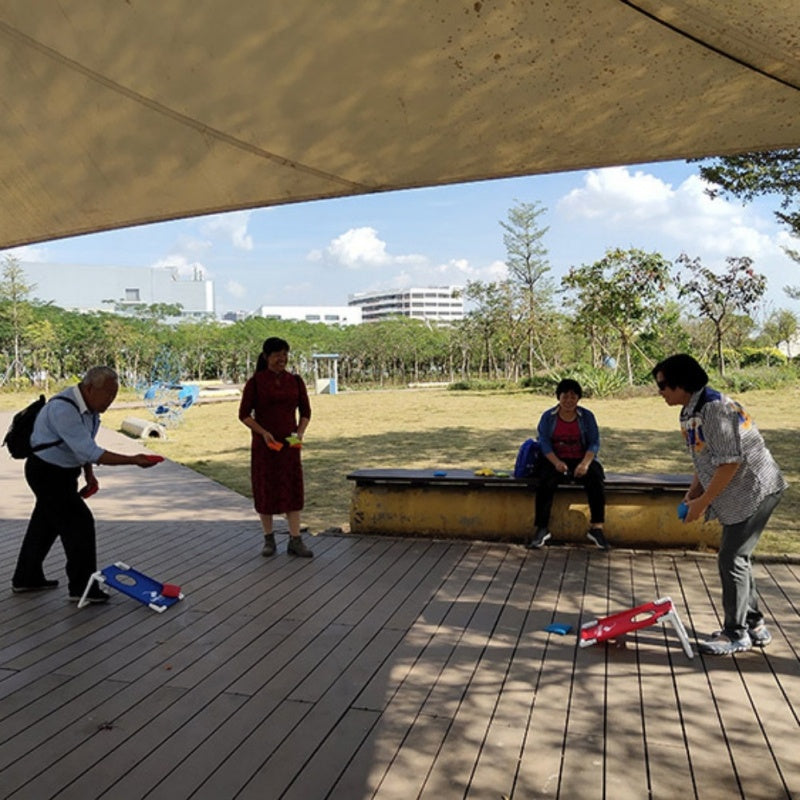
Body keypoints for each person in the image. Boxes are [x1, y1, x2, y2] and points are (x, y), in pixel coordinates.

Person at [652, 354, 787, 656]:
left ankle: (736, 634)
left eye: (663, 385)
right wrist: (692, 493)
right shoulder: (690, 410)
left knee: (731, 559)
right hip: (737, 492)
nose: (659, 391)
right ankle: (754, 625)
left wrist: (702, 503)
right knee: (737, 558)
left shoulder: (714, 409)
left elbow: (728, 463)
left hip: (756, 490)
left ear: (681, 384)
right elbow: (703, 458)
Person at [12, 366, 162, 603]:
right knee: (79, 523)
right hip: (46, 473)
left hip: (64, 472)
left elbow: (82, 447)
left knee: (45, 524)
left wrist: (89, 475)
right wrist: (134, 460)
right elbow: (90, 450)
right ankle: (82, 588)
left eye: (114, 396)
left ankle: (26, 577)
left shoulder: (90, 409)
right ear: (90, 388)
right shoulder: (63, 409)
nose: (111, 401)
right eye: (108, 395)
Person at [239, 337, 313, 558]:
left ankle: (295, 539)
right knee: (266, 488)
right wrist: (262, 432)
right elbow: (243, 415)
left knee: (292, 488)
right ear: (266, 357)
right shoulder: (255, 382)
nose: (282, 358)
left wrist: (299, 433)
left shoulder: (296, 381)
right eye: (277, 354)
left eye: (285, 353)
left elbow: (306, 412)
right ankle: (269, 540)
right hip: (265, 445)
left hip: (290, 444)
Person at [527, 378, 608, 550]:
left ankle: (597, 528)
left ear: (578, 399)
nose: (569, 401)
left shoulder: (586, 416)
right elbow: (544, 443)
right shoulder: (548, 417)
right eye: (565, 397)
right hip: (554, 459)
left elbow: (594, 442)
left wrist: (585, 464)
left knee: (595, 478)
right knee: (545, 481)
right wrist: (556, 463)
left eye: (573, 397)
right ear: (558, 397)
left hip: (581, 458)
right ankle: (541, 529)